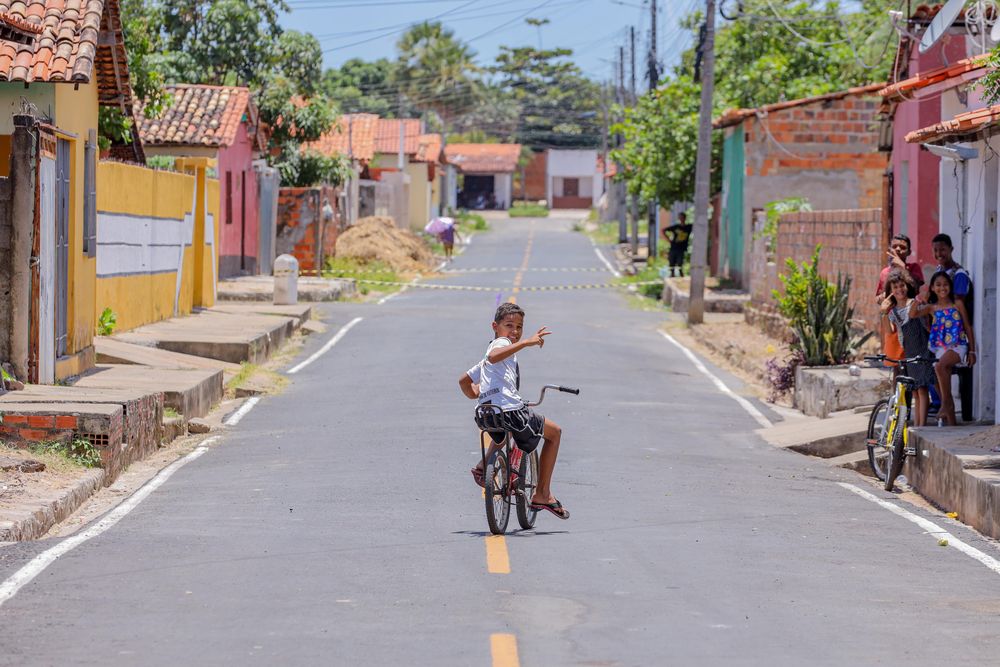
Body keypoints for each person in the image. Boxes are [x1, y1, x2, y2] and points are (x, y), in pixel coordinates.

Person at [458, 302, 569, 520]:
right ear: (495, 326)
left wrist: (478, 393)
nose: (515, 331)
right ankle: (542, 494)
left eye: (519, 327)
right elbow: (495, 355)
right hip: (510, 410)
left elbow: (463, 380)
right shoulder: (499, 345)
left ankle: (483, 466)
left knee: (503, 432)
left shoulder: (487, 362)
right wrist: (527, 342)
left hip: (487, 413)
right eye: (509, 325)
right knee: (555, 433)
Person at [910, 271, 976, 426]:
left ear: (950, 287)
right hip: (940, 349)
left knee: (940, 366)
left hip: (958, 346)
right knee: (939, 376)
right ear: (932, 288)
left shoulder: (957, 304)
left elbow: (967, 326)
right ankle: (951, 419)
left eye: (945, 284)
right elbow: (913, 314)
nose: (942, 288)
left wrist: (972, 350)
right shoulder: (932, 308)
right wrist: (920, 299)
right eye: (938, 285)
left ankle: (944, 404)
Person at [880, 269, 934, 426]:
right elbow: (890, 331)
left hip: (922, 350)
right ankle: (917, 425)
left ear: (907, 286)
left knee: (923, 389)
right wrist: (883, 312)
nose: (899, 290)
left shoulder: (915, 304)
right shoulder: (893, 312)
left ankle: (921, 426)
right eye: (895, 287)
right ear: (890, 292)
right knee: (916, 391)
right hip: (908, 352)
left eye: (901, 286)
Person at [931, 233, 973, 321]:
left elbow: (958, 306)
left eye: (942, 250)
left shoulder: (959, 275)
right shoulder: (939, 270)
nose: (938, 253)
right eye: (935, 250)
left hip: (954, 324)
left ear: (951, 249)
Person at [662, 212, 693, 278]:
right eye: (680, 218)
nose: (681, 219)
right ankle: (672, 275)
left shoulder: (688, 227)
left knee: (680, 262)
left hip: (681, 248)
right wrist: (668, 239)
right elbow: (663, 230)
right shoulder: (676, 227)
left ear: (685, 218)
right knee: (671, 262)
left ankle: (681, 274)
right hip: (674, 246)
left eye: (682, 217)